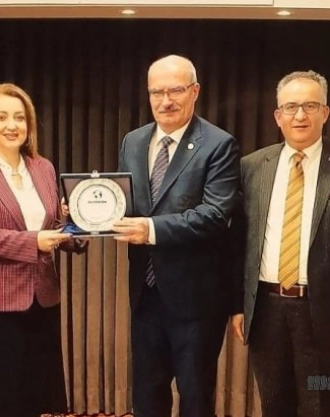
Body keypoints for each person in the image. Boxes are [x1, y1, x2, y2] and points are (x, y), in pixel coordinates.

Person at [229, 70, 330, 416]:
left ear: (325, 112)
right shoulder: (252, 166)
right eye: (291, 107)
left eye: (310, 106)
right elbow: (239, 242)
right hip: (265, 309)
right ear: (277, 116)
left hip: (325, 311)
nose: (300, 115)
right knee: (274, 406)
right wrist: (238, 305)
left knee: (322, 408)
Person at [112, 55, 240, 417]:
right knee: (147, 398)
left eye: (175, 90)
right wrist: (85, 209)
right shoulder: (133, 141)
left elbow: (215, 215)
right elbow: (122, 202)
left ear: (195, 91)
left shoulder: (218, 144)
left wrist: (150, 229)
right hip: (146, 296)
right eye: (157, 92)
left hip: (196, 302)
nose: (165, 100)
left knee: (195, 400)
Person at [0, 83, 87, 417]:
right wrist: (35, 242)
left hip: (41, 302)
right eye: (2, 117)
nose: (12, 125)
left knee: (32, 399)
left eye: (19, 117)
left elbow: (54, 224)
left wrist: (80, 225)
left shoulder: (43, 167)